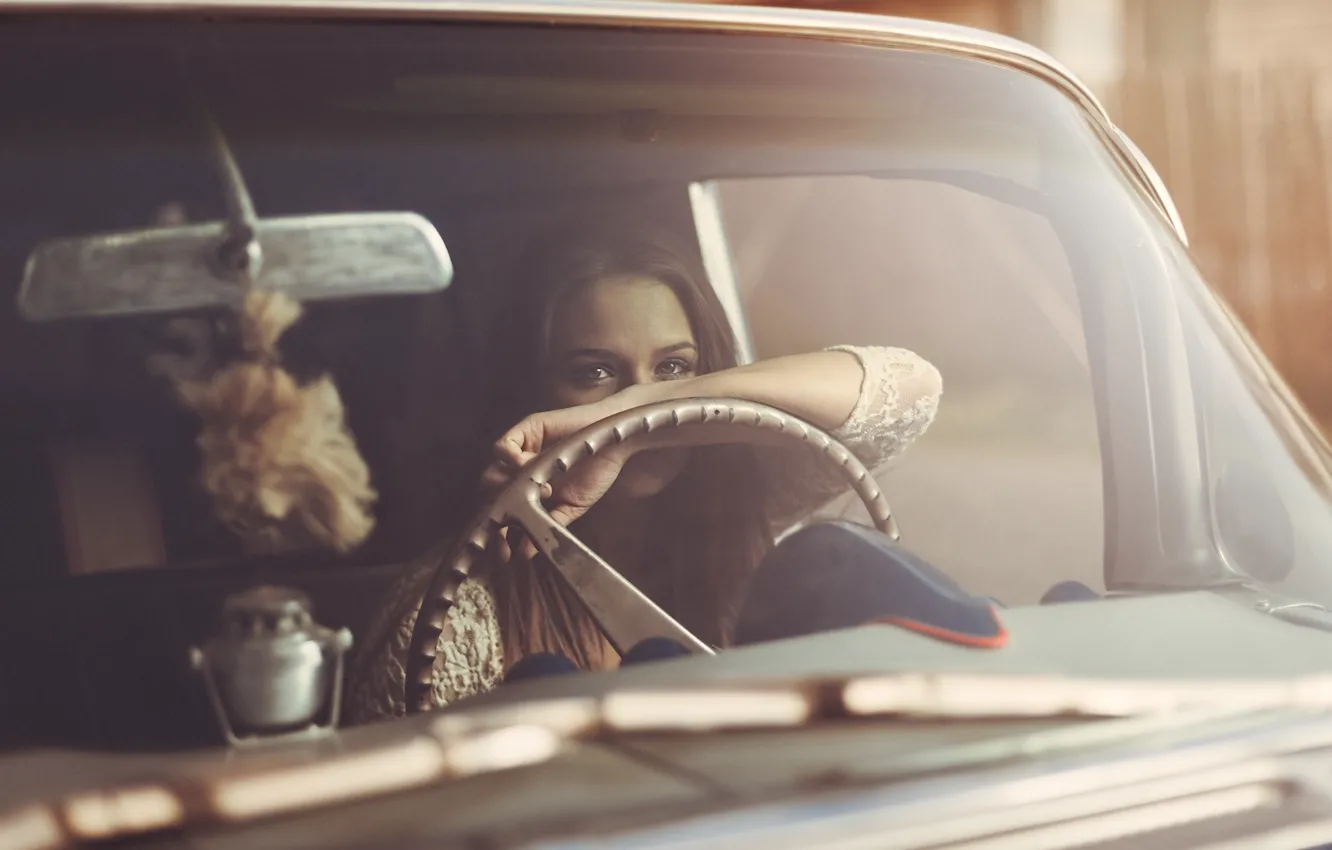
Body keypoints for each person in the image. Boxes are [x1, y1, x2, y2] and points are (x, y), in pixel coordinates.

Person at [345, 222, 943, 722]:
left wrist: (620, 420)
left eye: (675, 367)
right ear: (529, 390)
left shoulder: (752, 510)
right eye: (594, 372)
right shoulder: (450, 615)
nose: (642, 405)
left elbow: (912, 390)